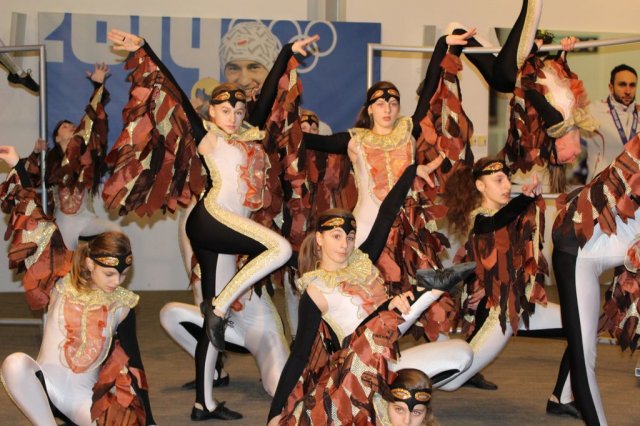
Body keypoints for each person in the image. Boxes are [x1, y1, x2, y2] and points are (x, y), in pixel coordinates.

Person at [103, 29, 317, 420]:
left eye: (238, 111)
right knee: (280, 249)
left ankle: (204, 402)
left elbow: (270, 91)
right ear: (212, 113)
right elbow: (175, 93)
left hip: (225, 231)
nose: (233, 117)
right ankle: (218, 306)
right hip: (212, 218)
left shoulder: (251, 133)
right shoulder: (206, 137)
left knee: (212, 324)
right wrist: (144, 49)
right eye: (225, 111)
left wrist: (288, 50)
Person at [298, 29, 482, 343]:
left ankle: (442, 353)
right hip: (367, 229)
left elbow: (429, 90)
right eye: (381, 102)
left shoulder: (409, 132)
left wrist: (443, 45)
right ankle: (345, 349)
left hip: (409, 226)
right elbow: (303, 139)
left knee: (430, 285)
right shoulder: (354, 140)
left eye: (393, 102)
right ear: (370, 108)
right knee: (361, 291)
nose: (387, 108)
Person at [267, 208, 475, 425]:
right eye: (336, 236)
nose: (344, 245)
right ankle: (429, 290)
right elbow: (299, 356)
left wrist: (409, 178)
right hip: (353, 375)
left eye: (350, 238)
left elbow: (386, 216)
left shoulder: (362, 265)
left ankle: (389, 398)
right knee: (379, 325)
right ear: (319, 238)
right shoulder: (315, 290)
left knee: (462, 353)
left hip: (385, 364)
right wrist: (274, 413)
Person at [0, 145, 154, 425]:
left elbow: (134, 363)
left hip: (81, 400)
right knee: (14, 363)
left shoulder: (123, 306)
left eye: (123, 275)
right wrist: (16, 165)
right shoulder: (61, 280)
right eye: (109, 274)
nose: (117, 282)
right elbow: (35, 218)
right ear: (90, 264)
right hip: (45, 386)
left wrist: (150, 420)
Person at [440, 157, 579, 418]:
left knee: (579, 325)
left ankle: (561, 397)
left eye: (507, 179)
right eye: (499, 180)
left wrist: (531, 200)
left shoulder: (508, 216)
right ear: (480, 186)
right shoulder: (481, 219)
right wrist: (524, 198)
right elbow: (496, 224)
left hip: (520, 305)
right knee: (451, 381)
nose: (506, 186)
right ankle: (405, 380)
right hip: (498, 314)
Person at [459, 0, 596, 194]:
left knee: (534, 6)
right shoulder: (573, 115)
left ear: (557, 145)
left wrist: (534, 49)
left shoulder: (555, 121)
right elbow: (555, 79)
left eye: (562, 159)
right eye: (568, 161)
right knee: (459, 33)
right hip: (508, 72)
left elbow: (527, 84)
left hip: (509, 75)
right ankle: (456, 34)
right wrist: (564, 51)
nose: (572, 160)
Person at [552, 132, 640, 425]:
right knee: (584, 353)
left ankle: (560, 396)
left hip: (596, 253)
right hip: (577, 254)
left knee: (584, 335)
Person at [22, 63, 120, 250]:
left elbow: (95, 123)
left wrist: (98, 86)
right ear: (57, 138)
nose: (71, 126)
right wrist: (35, 153)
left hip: (87, 219)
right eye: (64, 126)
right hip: (64, 221)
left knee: (117, 235)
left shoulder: (86, 155)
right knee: (66, 263)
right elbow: (29, 181)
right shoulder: (50, 162)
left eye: (72, 125)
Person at [584, 64, 639, 181]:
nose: (628, 91)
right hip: (600, 186)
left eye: (632, 85)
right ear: (611, 87)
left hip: (633, 188)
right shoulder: (592, 110)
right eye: (622, 85)